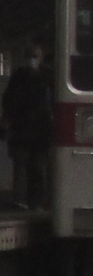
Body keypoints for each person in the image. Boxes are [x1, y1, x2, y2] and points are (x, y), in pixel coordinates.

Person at [1, 44, 54, 209]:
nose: (32, 59)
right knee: (21, 166)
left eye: (34, 56)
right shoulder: (19, 76)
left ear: (41, 57)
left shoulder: (48, 77)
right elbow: (9, 100)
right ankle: (20, 200)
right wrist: (6, 121)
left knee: (38, 167)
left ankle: (36, 201)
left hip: (41, 130)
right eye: (30, 56)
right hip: (21, 128)